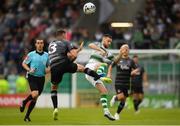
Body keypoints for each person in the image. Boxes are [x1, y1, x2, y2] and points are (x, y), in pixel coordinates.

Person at [48, 29, 106, 120]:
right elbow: (73, 55)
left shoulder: (51, 44)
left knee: (54, 88)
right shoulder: (66, 42)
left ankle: (55, 108)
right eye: (66, 35)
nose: (66, 36)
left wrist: (77, 50)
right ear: (63, 35)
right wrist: (77, 52)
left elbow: (58, 55)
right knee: (82, 68)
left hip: (54, 67)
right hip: (63, 62)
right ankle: (99, 77)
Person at [85, 34, 115, 121]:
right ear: (103, 39)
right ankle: (100, 75)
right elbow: (90, 45)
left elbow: (114, 61)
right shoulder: (98, 44)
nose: (109, 43)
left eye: (110, 42)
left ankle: (106, 112)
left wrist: (121, 54)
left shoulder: (108, 53)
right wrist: (100, 50)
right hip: (90, 67)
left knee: (104, 91)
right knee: (103, 63)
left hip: (94, 73)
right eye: (108, 41)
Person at [20, 39, 50, 122]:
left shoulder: (47, 55)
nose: (40, 44)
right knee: (35, 94)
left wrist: (48, 70)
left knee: (35, 98)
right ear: (35, 45)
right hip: (32, 76)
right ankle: (24, 102)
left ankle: (27, 116)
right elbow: (24, 63)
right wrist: (29, 70)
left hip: (41, 78)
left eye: (41, 43)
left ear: (43, 44)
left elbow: (49, 66)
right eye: (38, 43)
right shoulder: (31, 54)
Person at [107, 44, 139, 120]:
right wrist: (109, 74)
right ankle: (115, 98)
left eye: (127, 49)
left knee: (123, 100)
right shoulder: (118, 59)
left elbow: (137, 69)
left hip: (127, 83)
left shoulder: (131, 61)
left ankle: (117, 114)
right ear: (121, 50)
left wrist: (134, 72)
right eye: (124, 49)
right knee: (121, 97)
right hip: (119, 82)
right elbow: (111, 66)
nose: (126, 50)